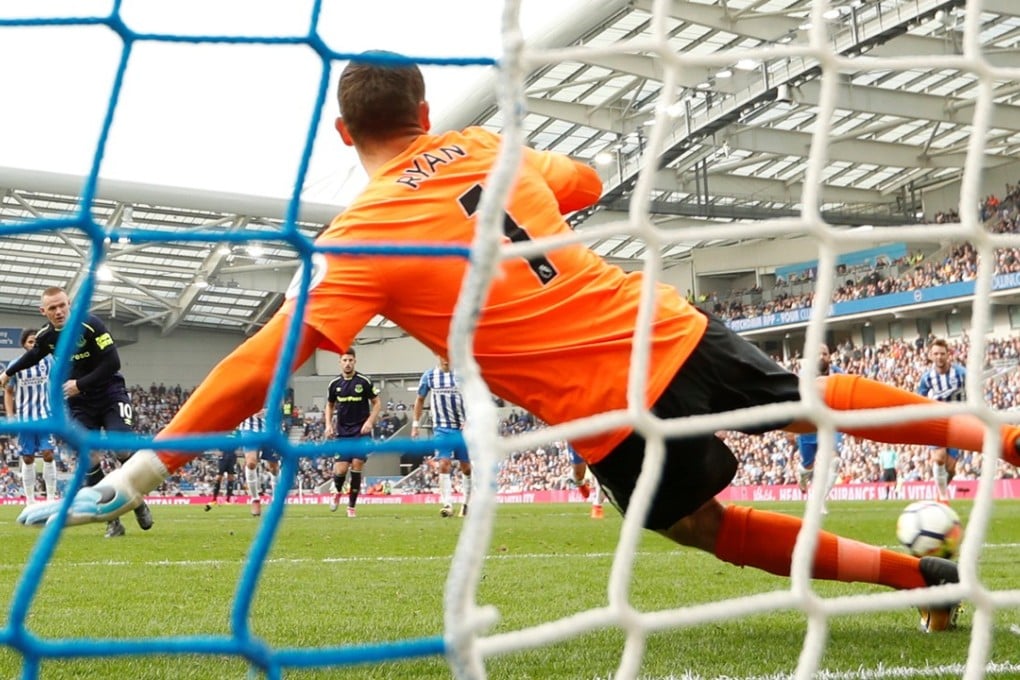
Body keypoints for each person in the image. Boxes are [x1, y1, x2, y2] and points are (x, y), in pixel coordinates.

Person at [27, 53, 1020, 632]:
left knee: (705, 530)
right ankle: (1003, 441)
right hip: (660, 325)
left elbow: (261, 361)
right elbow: (583, 179)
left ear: (344, 136)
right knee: (806, 394)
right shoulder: (491, 149)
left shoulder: (359, 235)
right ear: (424, 112)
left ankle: (915, 578)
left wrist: (149, 465)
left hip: (599, 410)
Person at [2, 287, 153, 538]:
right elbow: (33, 356)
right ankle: (112, 520)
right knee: (89, 456)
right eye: (52, 308)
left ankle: (137, 501)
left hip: (110, 394)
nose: (59, 311)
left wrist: (79, 384)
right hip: (80, 403)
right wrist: (7, 373)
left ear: (69, 303)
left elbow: (112, 363)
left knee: (121, 449)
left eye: (62, 305)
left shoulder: (91, 324)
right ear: (44, 311)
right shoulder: (47, 336)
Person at [3, 329, 58, 505]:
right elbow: (9, 392)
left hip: (45, 416)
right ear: (24, 345)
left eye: (36, 341)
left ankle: (50, 498)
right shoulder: (16, 365)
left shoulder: (48, 361)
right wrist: (11, 416)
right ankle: (30, 500)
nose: (33, 345)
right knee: (27, 458)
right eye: (30, 342)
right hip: (25, 418)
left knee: (48, 454)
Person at [412, 354, 471, 518]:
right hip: (441, 428)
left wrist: (469, 420)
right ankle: (447, 504)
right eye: (442, 355)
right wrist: (415, 425)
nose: (446, 358)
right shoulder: (429, 376)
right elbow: (420, 399)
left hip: (462, 429)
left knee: (466, 467)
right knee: (444, 463)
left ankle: (466, 503)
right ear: (437, 355)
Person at [324, 349, 380, 517]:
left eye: (350, 360)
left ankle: (351, 507)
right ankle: (337, 492)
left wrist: (370, 422)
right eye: (345, 360)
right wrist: (328, 424)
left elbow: (377, 403)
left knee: (356, 466)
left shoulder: (363, 382)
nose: (347, 363)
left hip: (361, 432)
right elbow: (329, 404)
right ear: (340, 362)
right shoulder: (334, 384)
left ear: (355, 361)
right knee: (340, 470)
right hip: (343, 433)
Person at [791, 343, 844, 514]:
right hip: (808, 425)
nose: (822, 357)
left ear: (830, 356)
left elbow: (850, 398)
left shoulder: (839, 375)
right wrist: (791, 427)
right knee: (808, 466)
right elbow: (794, 401)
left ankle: (818, 501)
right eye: (818, 354)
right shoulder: (803, 376)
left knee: (834, 460)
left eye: (825, 354)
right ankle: (803, 474)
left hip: (830, 423)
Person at [916, 338, 966, 502]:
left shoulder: (960, 373)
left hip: (957, 422)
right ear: (930, 355)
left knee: (951, 468)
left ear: (948, 355)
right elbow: (919, 398)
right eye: (936, 354)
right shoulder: (927, 377)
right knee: (938, 458)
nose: (939, 357)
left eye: (942, 354)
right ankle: (944, 497)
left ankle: (940, 493)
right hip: (936, 420)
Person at [238, 409, 278, 518]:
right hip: (249, 429)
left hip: (270, 430)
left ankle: (275, 500)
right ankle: (255, 499)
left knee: (273, 467)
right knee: (251, 462)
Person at [565, 443, 604, 519]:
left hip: (598, 436)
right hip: (577, 437)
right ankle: (580, 483)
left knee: (601, 469)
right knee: (578, 473)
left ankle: (597, 504)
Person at [205, 446, 239, 511]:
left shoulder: (236, 435)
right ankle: (214, 499)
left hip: (232, 457)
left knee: (231, 477)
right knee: (219, 477)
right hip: (223, 457)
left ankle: (228, 500)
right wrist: (216, 452)